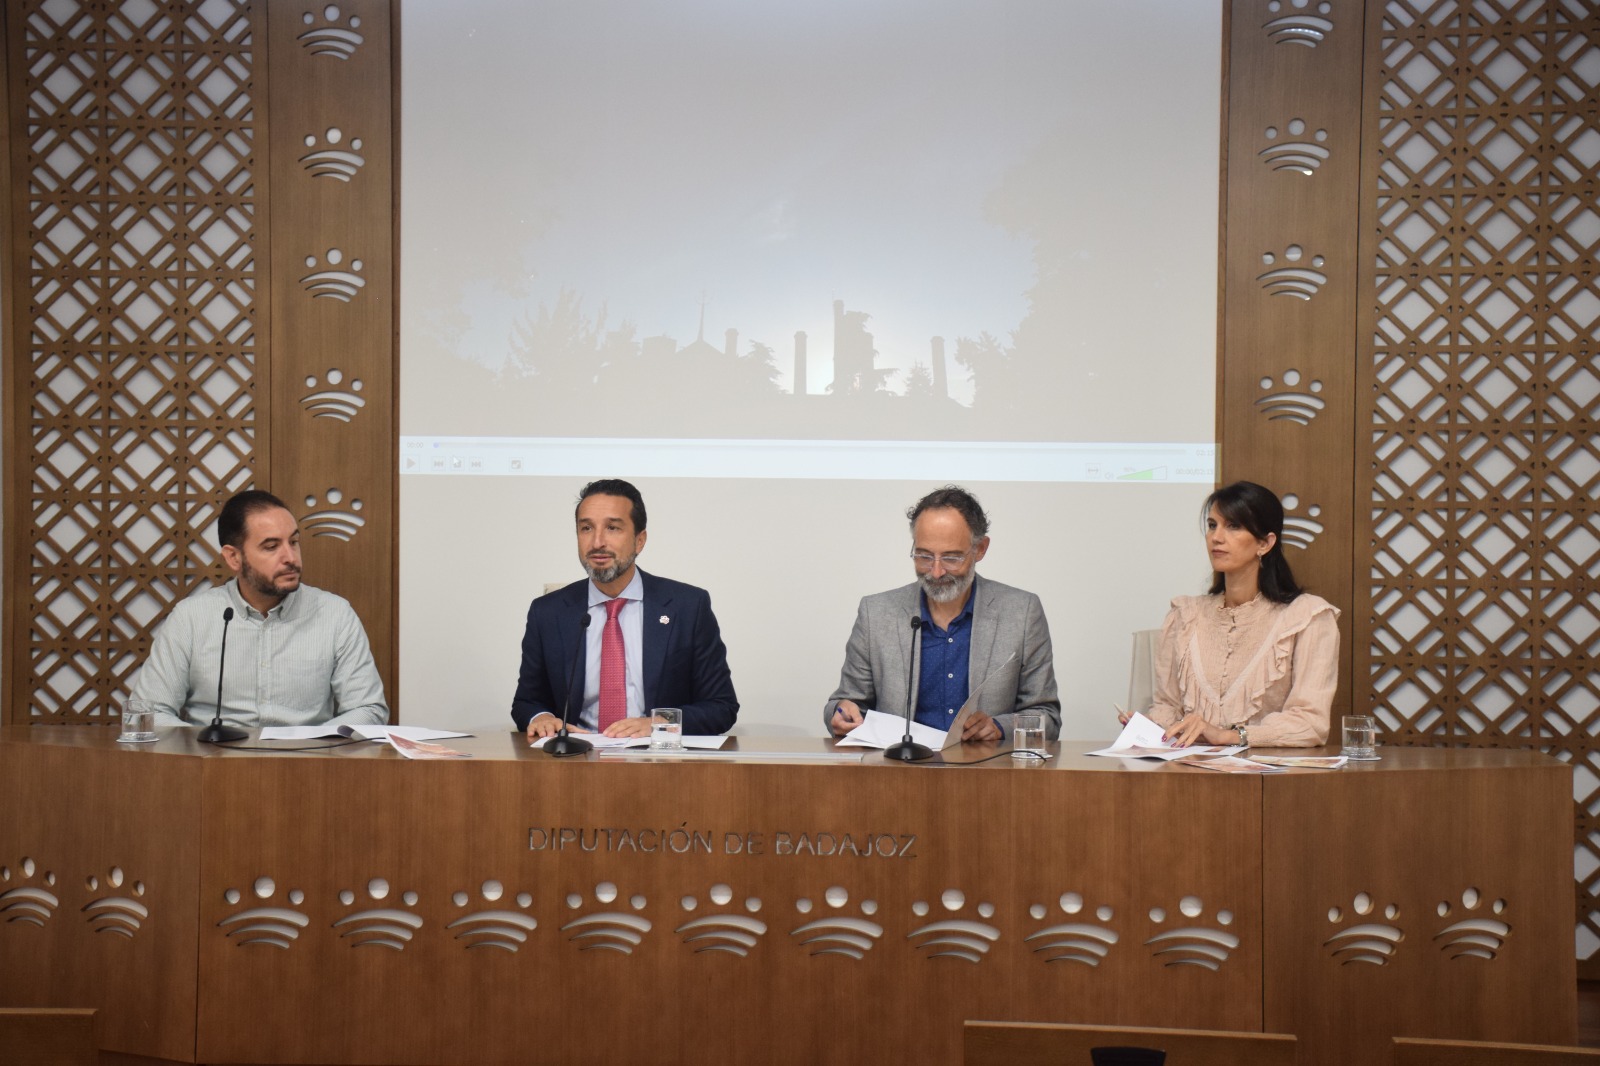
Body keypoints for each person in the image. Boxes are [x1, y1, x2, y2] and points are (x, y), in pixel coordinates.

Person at [133, 490, 389, 729]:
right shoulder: (191, 618)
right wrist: (204, 742)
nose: (290, 557)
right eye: (271, 546)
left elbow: (368, 709)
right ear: (234, 557)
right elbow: (147, 713)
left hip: (307, 764)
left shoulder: (335, 615)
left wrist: (309, 741)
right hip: (215, 765)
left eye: (294, 541)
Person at [824, 485, 1060, 742]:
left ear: (980, 549)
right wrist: (840, 715)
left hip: (987, 774)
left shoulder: (1022, 612)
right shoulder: (876, 613)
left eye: (951, 558)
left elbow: (1047, 717)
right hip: (899, 774)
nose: (936, 572)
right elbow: (844, 704)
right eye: (924, 556)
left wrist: (1000, 727)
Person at [513, 478, 738, 738]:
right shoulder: (549, 612)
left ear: (639, 540)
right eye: (586, 528)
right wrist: (541, 717)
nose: (597, 542)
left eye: (612, 528)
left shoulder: (687, 607)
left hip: (659, 762)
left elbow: (721, 707)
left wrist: (658, 723)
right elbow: (526, 702)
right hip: (576, 761)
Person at [1145, 480, 1339, 747]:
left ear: (1265, 543)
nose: (1217, 537)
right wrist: (1147, 729)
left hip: (1267, 780)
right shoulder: (1184, 615)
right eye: (1213, 525)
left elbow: (1310, 724)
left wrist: (1230, 736)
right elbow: (1166, 708)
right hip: (1187, 776)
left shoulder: (1308, 617)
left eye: (1233, 526)